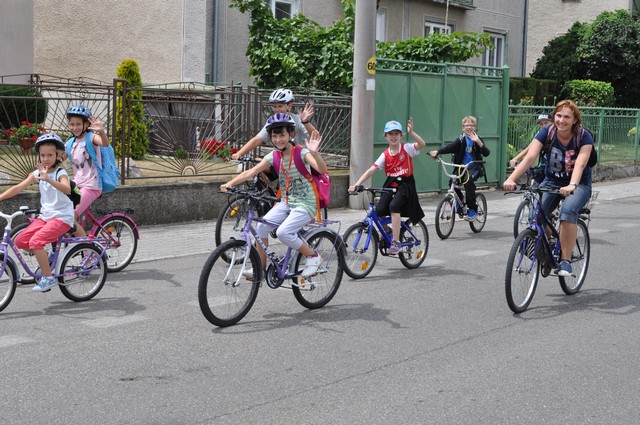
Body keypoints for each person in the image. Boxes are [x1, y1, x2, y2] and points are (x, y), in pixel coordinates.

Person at [220, 113, 328, 278]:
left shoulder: (301, 152)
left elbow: (322, 169)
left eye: (282, 135)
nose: (278, 140)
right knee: (261, 228)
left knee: (283, 232)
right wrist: (230, 183)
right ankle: (260, 270)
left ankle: (313, 256)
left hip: (306, 204)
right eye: (274, 136)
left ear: (291, 134)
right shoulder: (273, 156)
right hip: (286, 202)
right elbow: (251, 172)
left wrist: (315, 153)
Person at [503, 99, 593, 277]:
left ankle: (565, 261)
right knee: (535, 216)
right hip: (551, 181)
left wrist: (572, 184)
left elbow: (580, 165)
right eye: (558, 116)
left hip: (579, 184)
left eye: (566, 117)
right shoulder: (548, 132)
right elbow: (530, 157)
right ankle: (550, 245)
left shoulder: (584, 136)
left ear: (575, 120)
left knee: (567, 211)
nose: (561, 120)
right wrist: (512, 178)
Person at [0, 133, 74, 292]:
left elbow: (67, 189)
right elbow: (18, 188)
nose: (46, 159)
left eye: (50, 155)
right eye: (43, 155)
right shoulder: (37, 173)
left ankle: (48, 278)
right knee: (20, 241)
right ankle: (47, 257)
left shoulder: (60, 173)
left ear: (58, 155)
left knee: (36, 242)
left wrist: (48, 179)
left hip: (62, 217)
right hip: (46, 217)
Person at [348, 118, 426, 255]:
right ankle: (388, 231)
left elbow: (422, 144)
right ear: (386, 136)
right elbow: (371, 170)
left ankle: (396, 241)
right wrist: (356, 184)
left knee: (394, 206)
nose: (393, 137)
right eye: (390, 134)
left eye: (396, 134)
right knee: (378, 211)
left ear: (401, 135)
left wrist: (412, 132)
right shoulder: (385, 155)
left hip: (405, 184)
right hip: (391, 184)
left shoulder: (407, 148)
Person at [429, 115, 490, 221]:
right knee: (452, 182)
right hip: (461, 168)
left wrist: (478, 142)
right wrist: (438, 151)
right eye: (466, 125)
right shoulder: (461, 140)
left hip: (474, 168)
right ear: (463, 128)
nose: (469, 127)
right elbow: (451, 147)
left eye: (472, 125)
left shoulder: (477, 139)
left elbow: (486, 153)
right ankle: (460, 203)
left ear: (475, 127)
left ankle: (473, 209)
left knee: (468, 181)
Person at [231, 88, 316, 160]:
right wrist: (239, 153)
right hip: (282, 159)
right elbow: (258, 139)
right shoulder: (272, 121)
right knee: (257, 161)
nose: (277, 110)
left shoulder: (298, 119)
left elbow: (315, 135)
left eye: (280, 106)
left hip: (301, 159)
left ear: (289, 105)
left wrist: (305, 122)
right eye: (274, 107)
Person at [64, 104, 111, 236]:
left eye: (78, 124)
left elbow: (105, 143)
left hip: (92, 186)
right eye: (72, 124)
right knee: (59, 211)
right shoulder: (70, 143)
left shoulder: (91, 138)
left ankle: (87, 246)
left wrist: (101, 131)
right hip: (77, 185)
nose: (75, 127)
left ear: (86, 124)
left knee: (70, 217)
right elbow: (58, 158)